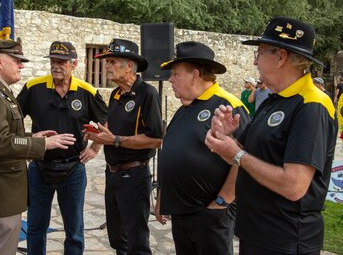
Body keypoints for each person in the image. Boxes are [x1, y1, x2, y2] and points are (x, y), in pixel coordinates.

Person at [205, 17, 337, 255]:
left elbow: (294, 186)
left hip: (285, 241)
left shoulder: (312, 105)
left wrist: (235, 153)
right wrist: (226, 139)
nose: (255, 61)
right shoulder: (274, 100)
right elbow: (243, 157)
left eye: (260, 52)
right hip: (257, 235)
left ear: (281, 57)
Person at [0, 38, 76, 255]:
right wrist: (42, 143)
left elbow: (4, 135)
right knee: (0, 248)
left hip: (3, 188)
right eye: (16, 60)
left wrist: (31, 136)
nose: (21, 65)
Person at [155, 41, 250, 254]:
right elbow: (172, 154)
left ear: (195, 75)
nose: (170, 79)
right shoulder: (185, 109)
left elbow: (246, 160)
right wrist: (163, 196)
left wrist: (221, 202)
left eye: (175, 74)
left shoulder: (228, 106)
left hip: (211, 216)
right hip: (182, 214)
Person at [16, 41, 108, 255]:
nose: (56, 66)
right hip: (40, 168)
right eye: (53, 61)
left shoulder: (87, 91)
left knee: (74, 229)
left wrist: (95, 148)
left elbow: (105, 121)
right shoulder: (34, 88)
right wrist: (28, 144)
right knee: (36, 227)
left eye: (62, 62)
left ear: (74, 64)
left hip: (73, 170)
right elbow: (12, 118)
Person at [85, 38, 163, 254]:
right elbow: (111, 123)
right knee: (117, 238)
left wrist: (116, 140)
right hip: (112, 175)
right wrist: (95, 142)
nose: (106, 66)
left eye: (112, 61)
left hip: (134, 175)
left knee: (136, 241)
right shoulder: (116, 94)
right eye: (106, 62)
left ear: (129, 65)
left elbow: (156, 139)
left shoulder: (148, 94)